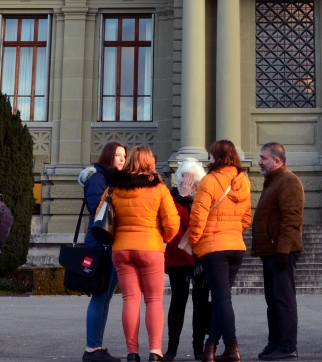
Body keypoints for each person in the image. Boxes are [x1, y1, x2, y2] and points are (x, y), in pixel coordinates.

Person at [107, 145, 179, 362]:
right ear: (150, 162)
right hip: (150, 247)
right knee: (154, 300)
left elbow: (102, 215)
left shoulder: (114, 187)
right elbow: (173, 222)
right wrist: (163, 239)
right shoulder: (159, 188)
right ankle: (155, 351)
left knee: (130, 299)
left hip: (121, 248)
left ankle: (132, 352)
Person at [187, 140, 252, 362]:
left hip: (214, 248)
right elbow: (246, 218)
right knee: (220, 298)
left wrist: (195, 243)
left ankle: (232, 347)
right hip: (236, 247)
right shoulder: (243, 181)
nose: (209, 159)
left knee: (222, 299)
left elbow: (197, 217)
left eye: (211, 156)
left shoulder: (209, 181)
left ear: (217, 157)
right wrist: (232, 231)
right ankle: (211, 348)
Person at [252, 143, 304, 361]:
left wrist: (283, 250)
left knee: (283, 300)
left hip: (281, 251)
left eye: (264, 157)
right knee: (273, 301)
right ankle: (275, 343)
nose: (259, 162)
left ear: (277, 160)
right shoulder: (273, 181)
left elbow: (291, 218)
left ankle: (287, 346)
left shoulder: (288, 181)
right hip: (271, 250)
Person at [81, 142, 128, 362]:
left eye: (124, 155)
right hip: (101, 244)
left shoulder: (112, 180)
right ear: (108, 156)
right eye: (118, 155)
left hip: (110, 244)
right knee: (100, 296)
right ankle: (92, 349)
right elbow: (98, 210)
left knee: (105, 296)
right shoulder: (98, 179)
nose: (122, 159)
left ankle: (96, 346)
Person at [166, 158, 210, 361]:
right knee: (178, 302)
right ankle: (172, 348)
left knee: (201, 303)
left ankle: (198, 347)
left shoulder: (203, 197)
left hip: (200, 257)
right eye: (184, 177)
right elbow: (170, 223)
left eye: (192, 179)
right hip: (179, 257)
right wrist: (181, 198)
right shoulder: (172, 197)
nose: (187, 182)